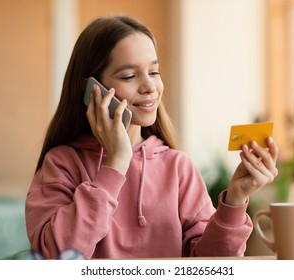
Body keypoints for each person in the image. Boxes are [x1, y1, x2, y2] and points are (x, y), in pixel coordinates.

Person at [25, 15, 279, 259]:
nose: (150, 87)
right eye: (129, 76)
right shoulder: (61, 164)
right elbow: (55, 259)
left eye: (154, 72)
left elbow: (211, 266)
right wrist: (116, 164)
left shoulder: (178, 167)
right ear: (91, 89)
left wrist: (235, 200)